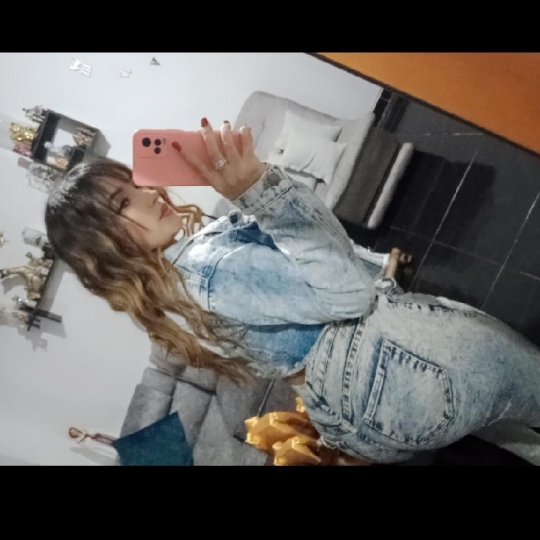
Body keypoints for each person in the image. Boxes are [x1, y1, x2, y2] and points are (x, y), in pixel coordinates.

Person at [44, 118, 540, 465]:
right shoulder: (208, 268)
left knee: (512, 430)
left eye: (136, 184)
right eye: (123, 203)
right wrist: (260, 189)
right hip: (403, 367)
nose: (151, 194)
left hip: (366, 413)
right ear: (103, 247)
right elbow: (350, 295)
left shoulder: (168, 302)